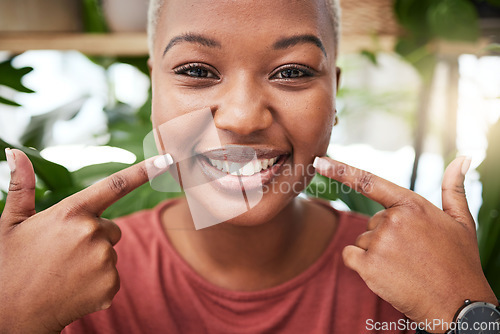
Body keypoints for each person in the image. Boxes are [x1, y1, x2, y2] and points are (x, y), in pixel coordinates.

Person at [0, 0, 497, 333]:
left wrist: (466, 315)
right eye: (196, 71)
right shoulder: (65, 288)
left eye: (293, 72)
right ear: (155, 89)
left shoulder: (415, 286)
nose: (241, 118)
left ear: (334, 93)